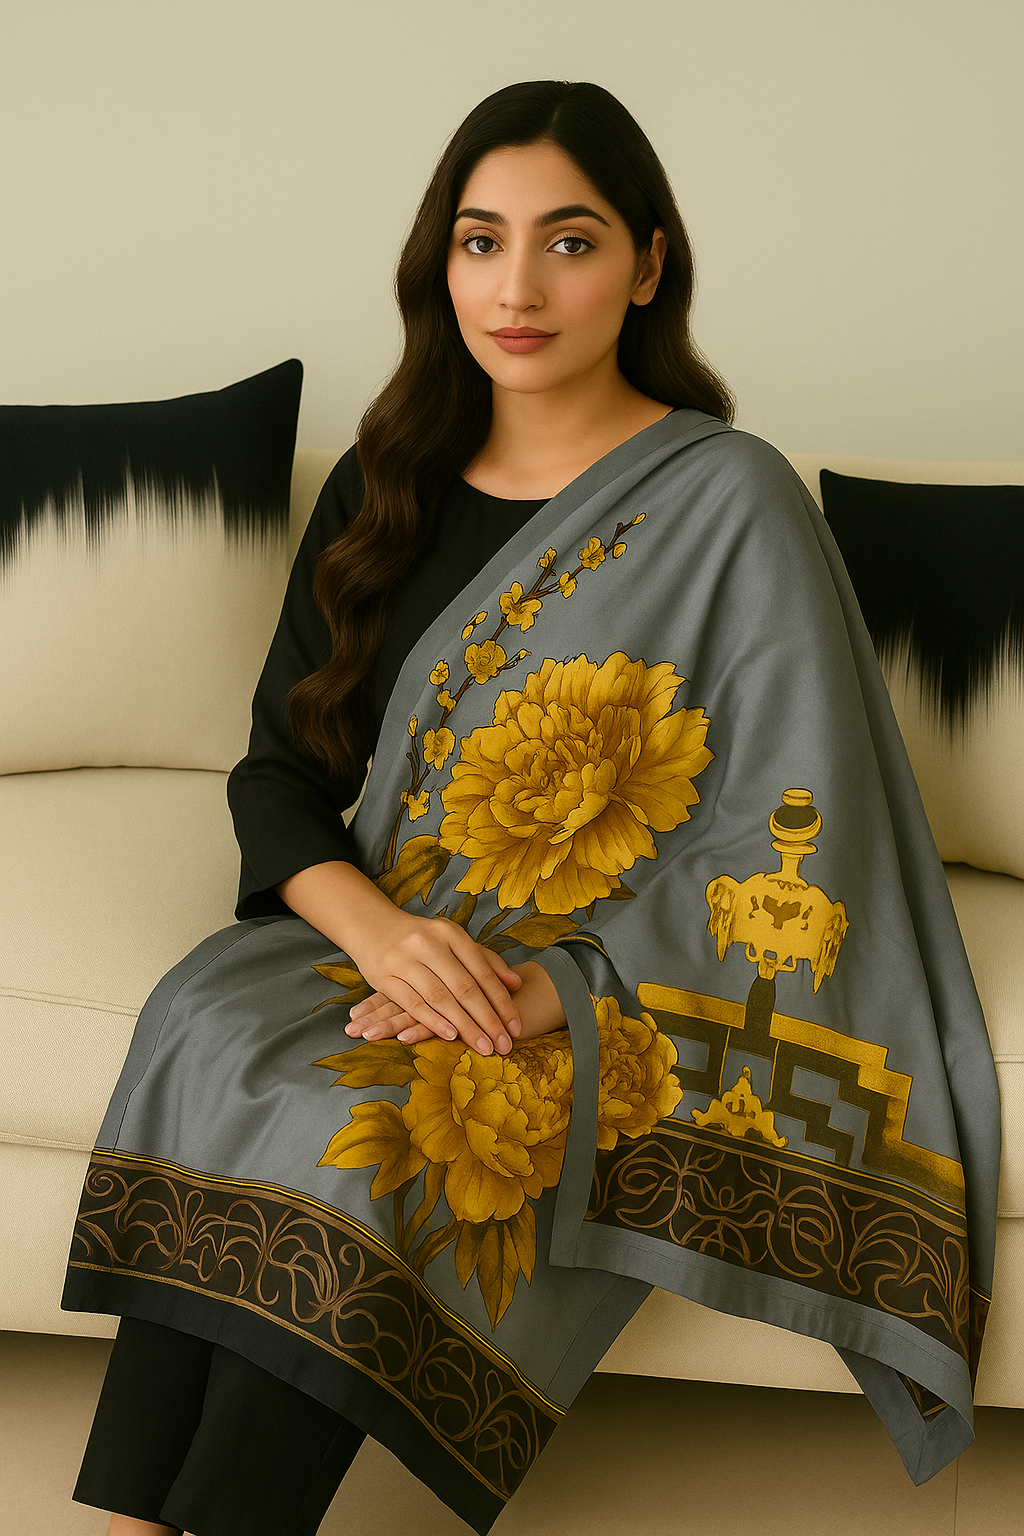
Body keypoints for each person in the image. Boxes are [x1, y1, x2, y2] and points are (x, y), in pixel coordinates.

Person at [65, 80, 999, 1536]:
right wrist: (381, 937)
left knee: (371, 1128)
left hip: (599, 985)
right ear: (438, 265)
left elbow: (796, 832)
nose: (517, 286)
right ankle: (127, 1521)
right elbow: (278, 775)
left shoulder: (730, 499)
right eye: (479, 240)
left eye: (567, 242)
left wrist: (552, 993)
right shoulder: (391, 484)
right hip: (399, 939)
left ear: (648, 262)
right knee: (208, 1021)